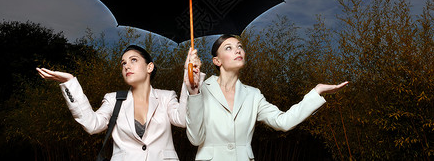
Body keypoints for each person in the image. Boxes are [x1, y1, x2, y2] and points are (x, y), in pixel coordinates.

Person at [184, 34, 348, 161]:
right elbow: (196, 139)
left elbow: (283, 122)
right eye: (228, 48)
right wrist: (193, 93)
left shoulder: (253, 95)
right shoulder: (200, 89)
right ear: (217, 61)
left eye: (240, 46)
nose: (238, 50)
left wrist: (316, 92)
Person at [37, 44, 203, 161]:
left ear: (149, 67)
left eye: (133, 60)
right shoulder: (113, 99)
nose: (126, 66)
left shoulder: (167, 97)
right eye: (123, 63)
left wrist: (191, 85)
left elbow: (182, 120)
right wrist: (70, 82)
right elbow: (92, 125)